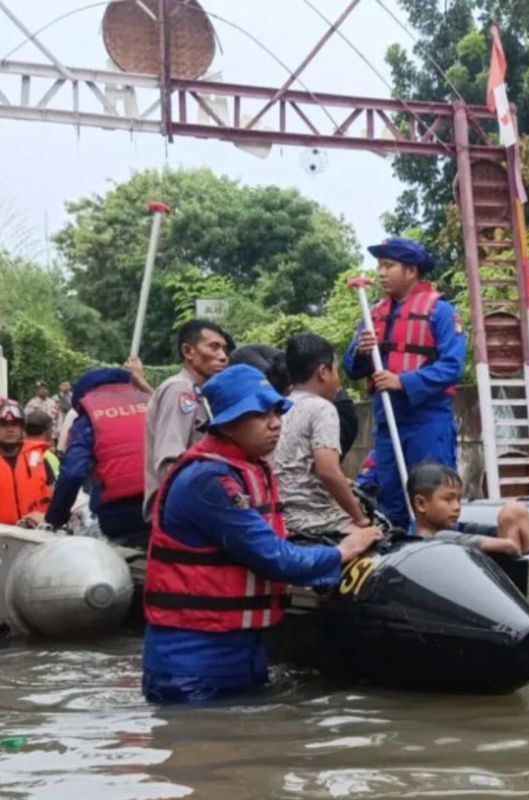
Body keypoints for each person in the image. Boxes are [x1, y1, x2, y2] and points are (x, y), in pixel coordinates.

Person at [141, 364, 381, 704]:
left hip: (241, 650)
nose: (274, 423)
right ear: (227, 422)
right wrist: (344, 550)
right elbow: (275, 558)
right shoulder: (207, 481)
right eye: (259, 414)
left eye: (275, 411)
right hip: (191, 657)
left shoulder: (250, 468)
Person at [343, 237, 467, 528]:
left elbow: (453, 367)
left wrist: (404, 382)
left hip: (428, 421)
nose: (381, 273)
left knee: (435, 497)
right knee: (391, 501)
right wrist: (360, 351)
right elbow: (351, 368)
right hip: (388, 422)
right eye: (379, 266)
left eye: (389, 266)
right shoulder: (372, 314)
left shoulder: (442, 312)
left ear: (411, 271)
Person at [274, 333, 378, 541]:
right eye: (336, 371)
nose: (338, 380)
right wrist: (360, 519)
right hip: (316, 520)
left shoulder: (279, 407)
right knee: (379, 534)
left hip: (280, 518)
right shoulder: (323, 409)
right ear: (323, 372)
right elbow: (328, 471)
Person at [44, 368, 151, 545]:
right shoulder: (151, 403)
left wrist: (55, 519)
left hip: (122, 514)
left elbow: (72, 473)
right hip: (169, 506)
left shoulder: (88, 419)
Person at [143, 319, 233, 518]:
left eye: (224, 350)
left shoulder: (199, 393)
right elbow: (169, 462)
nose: (223, 357)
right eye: (214, 347)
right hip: (181, 514)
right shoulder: (180, 391)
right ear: (188, 351)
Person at [408, 462, 529, 556]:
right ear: (421, 504)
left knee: (514, 511)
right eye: (448, 500)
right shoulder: (425, 541)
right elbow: (510, 546)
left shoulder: (457, 529)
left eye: (458, 500)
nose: (457, 507)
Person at [0, 399, 53, 526]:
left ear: (22, 428)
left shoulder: (39, 459)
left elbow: (55, 498)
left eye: (15, 424)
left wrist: (45, 517)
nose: (10, 430)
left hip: (36, 536)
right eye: (3, 424)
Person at [24, 410, 59, 478]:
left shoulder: (17, 452)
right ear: (47, 431)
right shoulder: (39, 456)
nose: (52, 430)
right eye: (51, 428)